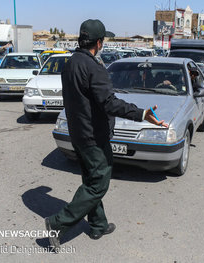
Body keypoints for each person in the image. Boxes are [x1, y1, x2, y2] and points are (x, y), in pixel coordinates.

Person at [45, 19, 168, 248]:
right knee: (98, 184)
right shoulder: (94, 67)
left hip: (78, 132)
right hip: (93, 136)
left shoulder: (71, 63)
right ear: (99, 42)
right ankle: (57, 223)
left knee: (91, 180)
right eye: (104, 40)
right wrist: (141, 114)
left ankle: (98, 225)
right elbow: (109, 104)